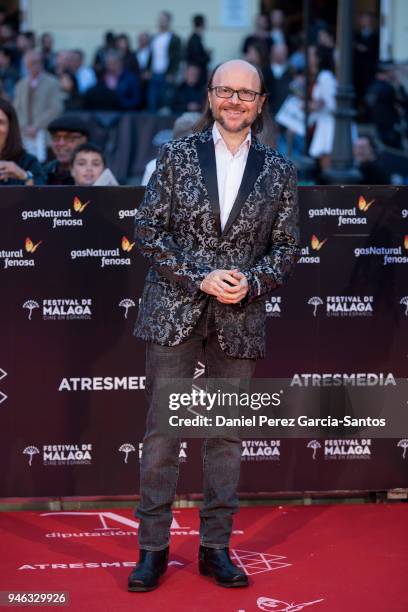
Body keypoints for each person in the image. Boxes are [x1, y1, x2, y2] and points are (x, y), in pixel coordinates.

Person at [128, 58, 299, 592]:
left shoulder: (280, 170)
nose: (234, 101)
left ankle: (215, 549)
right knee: (163, 437)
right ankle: (152, 549)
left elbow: (288, 248)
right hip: (176, 307)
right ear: (209, 96)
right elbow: (148, 230)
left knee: (225, 438)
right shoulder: (175, 156)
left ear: (260, 104)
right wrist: (201, 277)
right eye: (225, 90)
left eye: (246, 94)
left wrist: (252, 281)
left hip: (240, 316)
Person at [13, 49, 62, 162]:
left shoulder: (52, 82)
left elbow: (55, 108)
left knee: (44, 165)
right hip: (24, 135)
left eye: (37, 62)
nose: (34, 65)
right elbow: (16, 109)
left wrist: (36, 126)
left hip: (45, 135)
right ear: (26, 65)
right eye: (31, 63)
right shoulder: (21, 84)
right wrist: (25, 127)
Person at [0, 97, 45, 184]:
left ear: (11, 127)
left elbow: (43, 194)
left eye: (0, 122)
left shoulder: (29, 162)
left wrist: (23, 175)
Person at [146, 11, 182, 111]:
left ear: (169, 21)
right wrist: (148, 70)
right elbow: (151, 55)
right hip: (154, 74)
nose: (161, 22)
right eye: (160, 20)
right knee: (152, 103)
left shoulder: (174, 38)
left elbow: (177, 58)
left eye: (164, 20)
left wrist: (172, 73)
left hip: (166, 75)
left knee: (165, 104)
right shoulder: (154, 38)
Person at [43, 114, 88, 185]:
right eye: (56, 138)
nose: (61, 143)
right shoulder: (45, 172)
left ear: (84, 140)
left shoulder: (95, 173)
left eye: (69, 138)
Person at [186, 15, 211, 86]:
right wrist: (207, 56)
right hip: (197, 74)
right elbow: (196, 57)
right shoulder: (195, 39)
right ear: (202, 24)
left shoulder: (195, 38)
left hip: (197, 72)